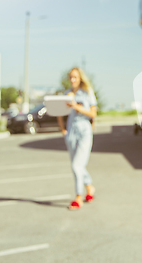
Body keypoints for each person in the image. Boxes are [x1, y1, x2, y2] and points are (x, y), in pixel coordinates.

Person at [57, 67, 97, 210]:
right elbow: (60, 114)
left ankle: (78, 197)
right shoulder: (67, 94)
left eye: (75, 77)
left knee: (76, 166)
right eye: (71, 77)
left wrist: (76, 106)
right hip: (71, 132)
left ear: (80, 78)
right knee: (77, 164)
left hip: (84, 131)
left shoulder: (87, 92)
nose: (73, 80)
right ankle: (89, 186)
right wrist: (63, 130)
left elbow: (93, 114)